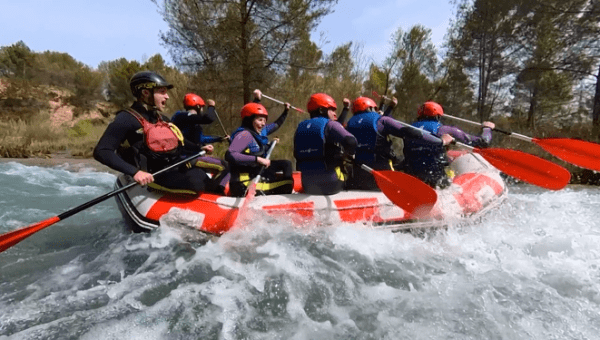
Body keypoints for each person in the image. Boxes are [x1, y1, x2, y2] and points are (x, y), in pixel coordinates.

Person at [93, 71, 217, 195]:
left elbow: (181, 142)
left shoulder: (162, 119)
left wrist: (199, 148)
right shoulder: (125, 119)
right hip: (153, 176)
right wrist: (135, 172)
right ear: (145, 93)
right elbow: (102, 151)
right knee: (197, 183)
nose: (167, 97)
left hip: (173, 169)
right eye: (162, 92)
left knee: (206, 177)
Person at [345, 96, 450, 190]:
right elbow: (411, 133)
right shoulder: (382, 120)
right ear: (371, 108)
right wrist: (441, 141)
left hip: (358, 177)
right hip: (383, 176)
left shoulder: (348, 124)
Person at [403, 101, 495, 188]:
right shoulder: (444, 130)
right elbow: (483, 142)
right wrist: (487, 128)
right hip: (435, 178)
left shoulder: (406, 128)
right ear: (438, 117)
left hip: (410, 175)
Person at [225, 90, 293, 197]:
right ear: (249, 120)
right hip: (244, 184)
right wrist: (258, 159)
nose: (263, 124)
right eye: (260, 120)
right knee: (288, 183)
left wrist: (285, 111)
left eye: (264, 121)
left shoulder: (254, 133)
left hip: (252, 177)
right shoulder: (244, 135)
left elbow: (276, 125)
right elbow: (230, 155)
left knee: (286, 164)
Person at [294, 93, 358, 195]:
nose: (334, 113)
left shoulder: (300, 127)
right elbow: (351, 141)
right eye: (332, 109)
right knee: (351, 167)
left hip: (307, 185)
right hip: (331, 185)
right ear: (321, 110)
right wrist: (347, 154)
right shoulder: (330, 124)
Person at [171, 93, 230, 194]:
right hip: (187, 158)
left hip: (193, 155)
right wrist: (211, 106)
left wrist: (219, 139)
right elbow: (209, 118)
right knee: (227, 166)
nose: (202, 110)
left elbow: (201, 138)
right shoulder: (182, 116)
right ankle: (216, 191)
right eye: (202, 108)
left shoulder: (193, 122)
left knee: (222, 166)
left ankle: (212, 187)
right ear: (197, 106)